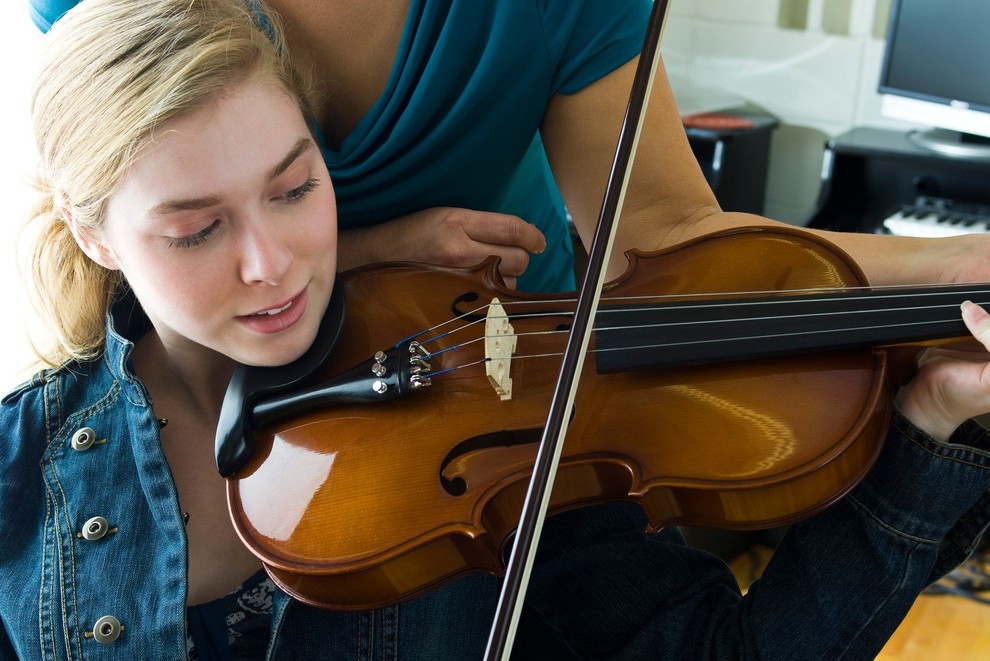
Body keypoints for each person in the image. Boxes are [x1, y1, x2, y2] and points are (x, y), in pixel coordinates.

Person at [3, 0, 990, 659]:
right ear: (94, 229)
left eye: (298, 188)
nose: (268, 262)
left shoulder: (490, 423)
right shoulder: (21, 459)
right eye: (197, 226)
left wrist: (930, 424)